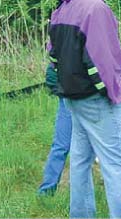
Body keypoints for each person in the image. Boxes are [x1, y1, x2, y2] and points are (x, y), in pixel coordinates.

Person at [48, 0, 121, 218]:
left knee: (81, 161)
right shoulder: (97, 9)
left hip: (72, 98)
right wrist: (117, 93)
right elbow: (104, 60)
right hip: (96, 101)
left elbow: (52, 53)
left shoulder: (64, 5)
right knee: (118, 163)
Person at [37, 64, 72, 196]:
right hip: (68, 102)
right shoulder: (61, 44)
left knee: (85, 150)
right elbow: (51, 75)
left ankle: (80, 192)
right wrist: (63, 92)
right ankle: (46, 191)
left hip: (92, 103)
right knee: (60, 146)